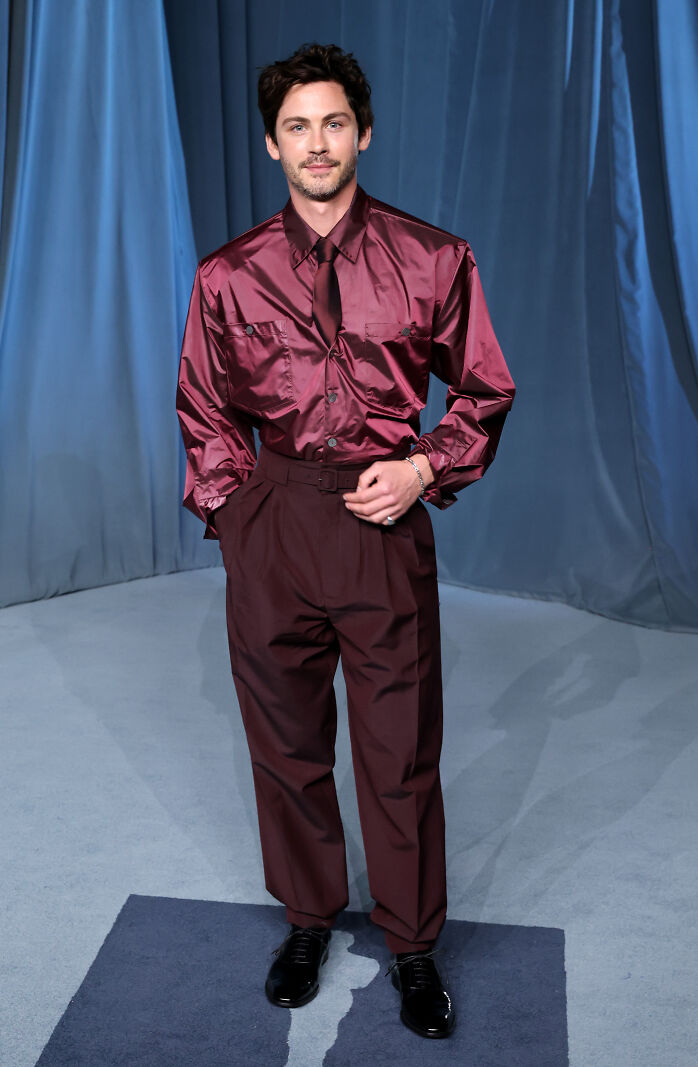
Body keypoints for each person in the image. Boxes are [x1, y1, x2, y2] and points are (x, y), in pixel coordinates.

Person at [176, 41, 515, 1041]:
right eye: (296, 126)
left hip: (383, 517)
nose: (316, 143)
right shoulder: (226, 277)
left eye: (333, 123)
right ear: (271, 143)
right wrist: (238, 517)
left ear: (362, 132)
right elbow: (203, 408)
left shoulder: (434, 258)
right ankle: (309, 919)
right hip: (274, 515)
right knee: (286, 742)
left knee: (398, 747)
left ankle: (411, 942)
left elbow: (486, 390)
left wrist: (424, 466)